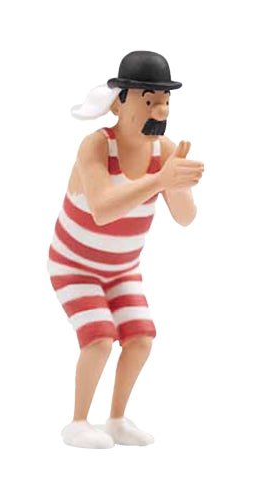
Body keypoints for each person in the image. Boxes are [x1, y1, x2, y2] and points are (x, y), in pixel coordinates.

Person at [46, 51, 204, 448]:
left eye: (165, 101)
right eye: (149, 101)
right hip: (74, 266)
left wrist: (177, 183)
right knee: (100, 338)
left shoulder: (164, 151)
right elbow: (102, 209)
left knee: (140, 338)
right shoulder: (96, 146)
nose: (160, 110)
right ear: (120, 103)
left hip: (122, 269)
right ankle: (77, 423)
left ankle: (116, 420)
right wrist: (160, 180)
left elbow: (185, 218)